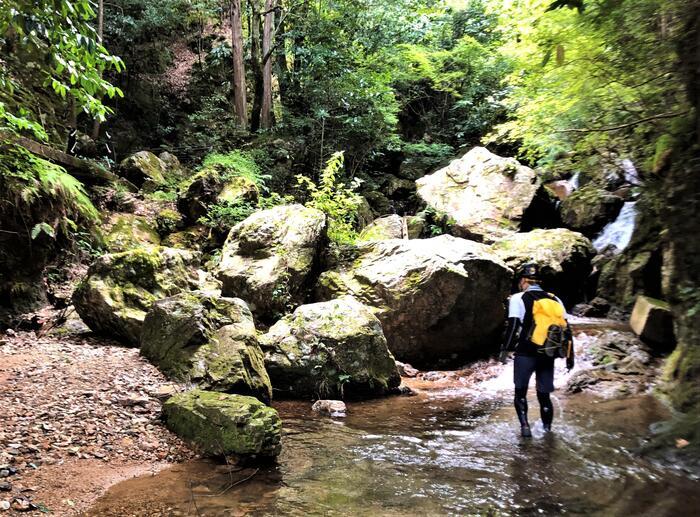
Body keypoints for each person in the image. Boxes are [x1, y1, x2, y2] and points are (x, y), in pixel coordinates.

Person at [499, 263, 574, 437]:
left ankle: (525, 428)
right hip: (548, 354)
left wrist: (505, 349)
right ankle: (547, 432)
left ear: (524, 280)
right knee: (544, 396)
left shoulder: (518, 298)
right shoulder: (555, 299)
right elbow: (566, 329)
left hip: (526, 353)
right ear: (539, 281)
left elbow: (513, 326)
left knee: (520, 393)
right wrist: (570, 357)